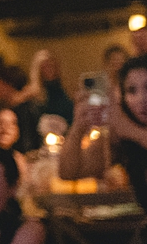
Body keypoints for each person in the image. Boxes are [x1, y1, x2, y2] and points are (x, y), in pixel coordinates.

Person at [58, 54, 147, 201]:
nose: (142, 99)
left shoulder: (124, 127)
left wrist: (124, 126)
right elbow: (69, 173)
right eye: (131, 90)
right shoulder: (120, 133)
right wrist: (78, 127)